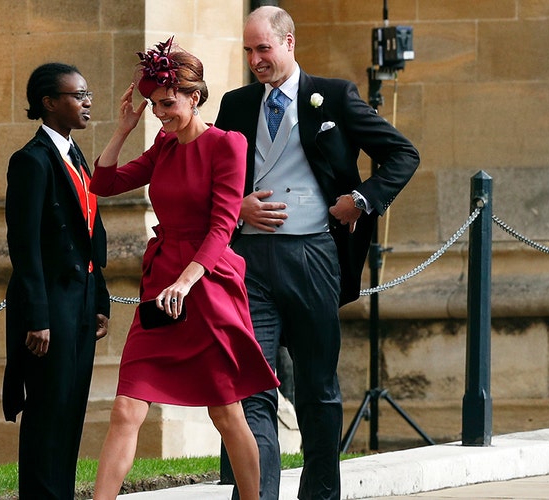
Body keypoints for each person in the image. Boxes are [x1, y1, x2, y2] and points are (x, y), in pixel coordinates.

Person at [215, 6, 420, 500]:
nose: (255, 59)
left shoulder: (335, 95)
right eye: (248, 50)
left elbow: (403, 154)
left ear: (288, 43)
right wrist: (237, 206)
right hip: (249, 265)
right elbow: (211, 174)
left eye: (263, 48)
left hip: (313, 257)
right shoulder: (236, 103)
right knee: (253, 387)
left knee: (317, 390)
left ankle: (320, 494)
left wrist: (362, 200)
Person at [90, 38, 280, 500]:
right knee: (126, 408)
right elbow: (104, 183)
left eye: (167, 103)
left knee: (226, 412)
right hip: (161, 286)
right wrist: (122, 128)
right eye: (154, 104)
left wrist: (186, 281)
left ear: (195, 97)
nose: (159, 112)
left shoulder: (227, 146)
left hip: (208, 284)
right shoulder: (163, 145)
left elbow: (222, 227)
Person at [2, 62, 111, 499]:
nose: (87, 103)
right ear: (49, 103)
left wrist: (100, 298)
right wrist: (38, 316)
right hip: (50, 307)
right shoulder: (30, 161)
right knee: (47, 412)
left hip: (81, 300)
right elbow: (23, 245)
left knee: (71, 411)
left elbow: (89, 233)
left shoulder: (75, 154)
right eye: (77, 95)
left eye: (87, 94)